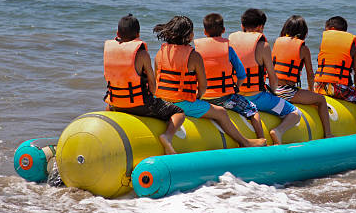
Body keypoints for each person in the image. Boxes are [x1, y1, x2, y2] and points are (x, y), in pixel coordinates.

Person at [152, 15, 266, 148]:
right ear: (189, 35)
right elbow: (203, 85)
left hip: (162, 101)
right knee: (221, 113)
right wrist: (197, 98)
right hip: (182, 103)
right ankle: (245, 142)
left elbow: (157, 79)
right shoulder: (193, 56)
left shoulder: (161, 52)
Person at [103, 14, 185, 154]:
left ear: (117, 33)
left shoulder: (110, 50)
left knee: (108, 106)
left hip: (115, 104)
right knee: (179, 112)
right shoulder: (142, 55)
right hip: (141, 105)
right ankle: (167, 137)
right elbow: (152, 86)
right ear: (138, 34)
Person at [228, 8, 302, 145]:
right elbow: (272, 77)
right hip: (257, 98)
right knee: (295, 113)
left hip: (234, 96)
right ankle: (278, 131)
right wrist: (274, 92)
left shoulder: (230, 40)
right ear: (261, 27)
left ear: (242, 26)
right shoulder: (263, 46)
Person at [194, 13, 266, 140]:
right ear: (223, 30)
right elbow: (242, 75)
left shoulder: (196, 50)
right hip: (224, 99)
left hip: (202, 98)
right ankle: (261, 139)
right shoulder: (229, 50)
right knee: (253, 110)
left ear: (205, 31)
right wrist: (236, 88)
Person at [272, 15, 334, 138]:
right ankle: (328, 134)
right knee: (321, 100)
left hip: (272, 89)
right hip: (286, 91)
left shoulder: (277, 42)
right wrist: (312, 92)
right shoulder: (303, 49)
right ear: (303, 32)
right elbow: (310, 75)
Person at [313, 16, 356, 132]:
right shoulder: (351, 47)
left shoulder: (324, 43)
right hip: (338, 89)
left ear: (330, 29)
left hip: (319, 87)